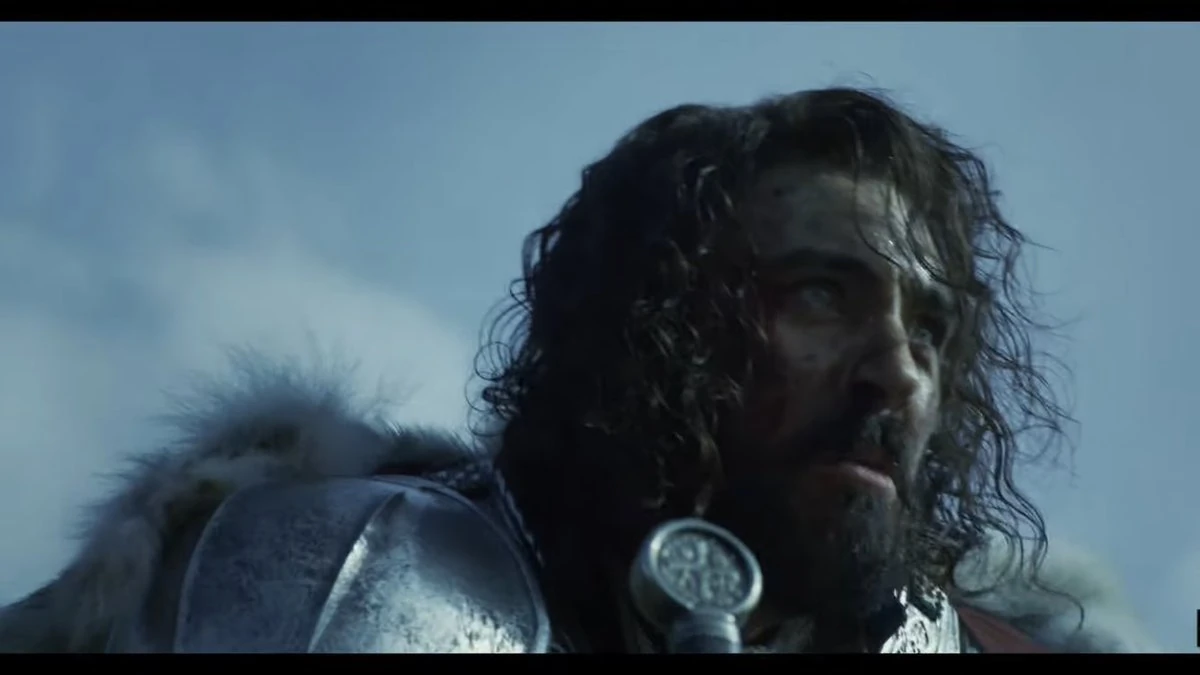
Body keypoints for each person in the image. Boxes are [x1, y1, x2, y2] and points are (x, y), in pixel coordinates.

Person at [0, 87, 1158, 653]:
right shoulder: (362, 585)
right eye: (820, 295)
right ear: (658, 326)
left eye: (931, 331)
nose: (897, 375)